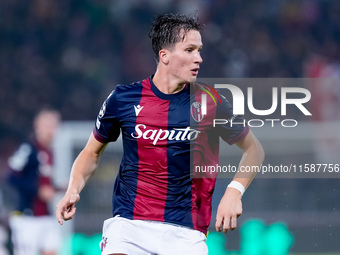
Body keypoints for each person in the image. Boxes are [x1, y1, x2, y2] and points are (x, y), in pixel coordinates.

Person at [56, 13, 264, 255]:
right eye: (189, 50)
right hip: (129, 225)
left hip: (186, 231)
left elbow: (254, 150)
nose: (199, 58)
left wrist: (233, 192)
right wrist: (73, 189)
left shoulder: (210, 101)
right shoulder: (123, 98)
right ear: (164, 55)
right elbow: (92, 152)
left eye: (199, 50)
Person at [7, 108, 62, 255]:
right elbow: (11, 176)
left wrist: (58, 189)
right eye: (48, 126)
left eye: (54, 126)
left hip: (46, 214)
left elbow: (44, 185)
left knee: (52, 250)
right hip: (27, 216)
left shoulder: (50, 151)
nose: (52, 130)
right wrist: (37, 191)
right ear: (37, 126)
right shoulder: (28, 148)